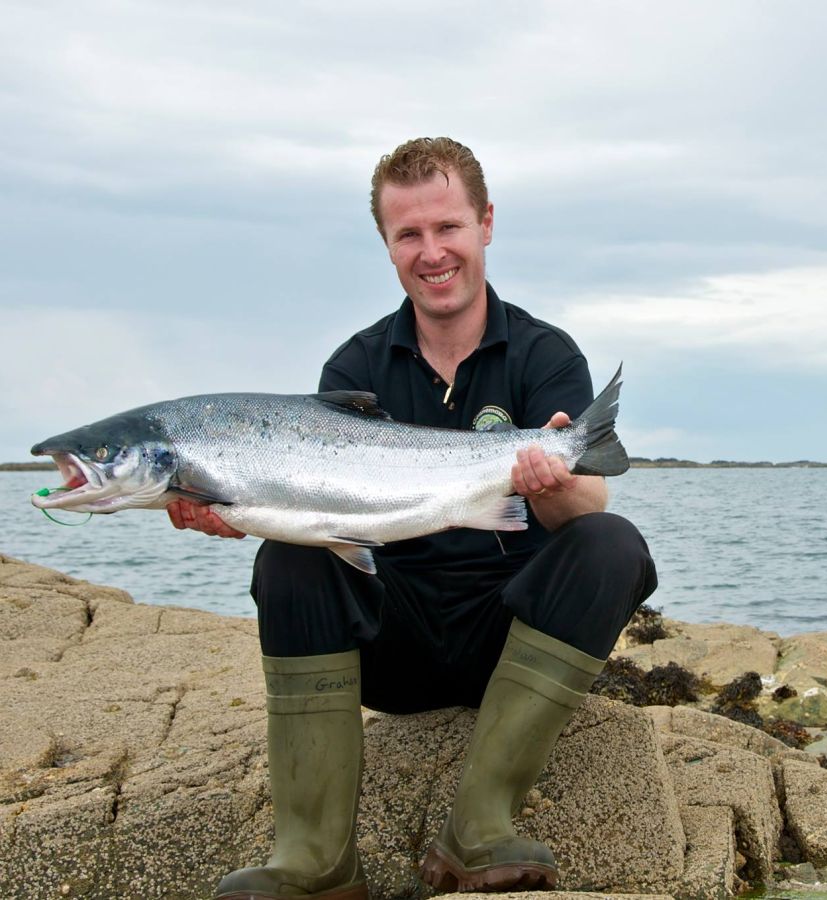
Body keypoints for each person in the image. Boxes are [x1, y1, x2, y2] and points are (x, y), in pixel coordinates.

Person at [169, 137, 657, 899]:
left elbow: (586, 507)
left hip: (505, 642)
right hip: (388, 646)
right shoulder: (354, 368)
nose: (432, 253)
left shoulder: (545, 354)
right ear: (387, 243)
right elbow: (314, 515)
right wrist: (237, 509)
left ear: (485, 224)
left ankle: (479, 827)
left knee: (612, 544)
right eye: (409, 234)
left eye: (448, 227)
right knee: (289, 553)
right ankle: (316, 860)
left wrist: (550, 483)